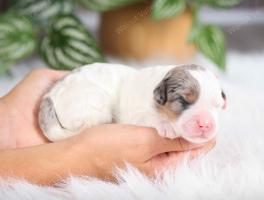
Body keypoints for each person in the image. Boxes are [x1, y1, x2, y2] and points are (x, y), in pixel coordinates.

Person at [0, 69, 216, 185]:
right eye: (185, 102)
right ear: (160, 96)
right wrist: (77, 157)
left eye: (214, 104)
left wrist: (9, 115)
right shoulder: (146, 96)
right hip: (76, 106)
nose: (205, 120)